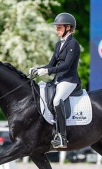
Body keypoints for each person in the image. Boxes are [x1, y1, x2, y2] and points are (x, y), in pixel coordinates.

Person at [29, 12, 81, 149]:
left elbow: (66, 65)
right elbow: (51, 64)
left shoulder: (73, 44)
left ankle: (62, 137)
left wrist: (47, 71)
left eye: (59, 27)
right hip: (58, 79)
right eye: (56, 27)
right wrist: (38, 69)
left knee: (57, 100)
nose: (56, 30)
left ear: (68, 28)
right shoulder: (59, 44)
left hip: (69, 80)